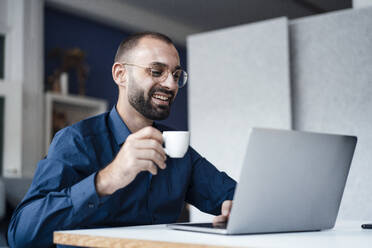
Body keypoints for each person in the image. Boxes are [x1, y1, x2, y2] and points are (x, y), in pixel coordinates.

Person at [7, 32, 236, 247]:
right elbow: (20, 236)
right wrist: (105, 180)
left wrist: (236, 208)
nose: (171, 84)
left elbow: (236, 198)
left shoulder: (176, 147)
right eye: (157, 71)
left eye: (176, 75)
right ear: (120, 74)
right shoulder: (76, 141)